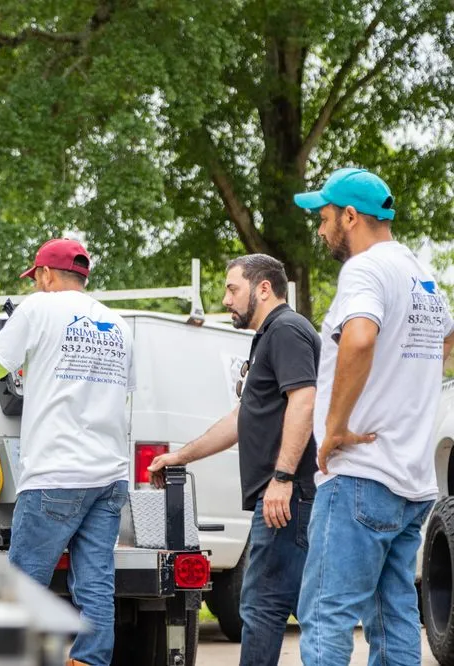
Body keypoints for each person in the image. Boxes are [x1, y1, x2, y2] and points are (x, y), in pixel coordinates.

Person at [0, 238, 134, 666]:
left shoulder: (39, 309)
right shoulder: (118, 326)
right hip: (109, 477)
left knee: (23, 584)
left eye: (36, 277)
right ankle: (89, 661)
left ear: (45, 275)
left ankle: (14, 659)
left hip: (56, 474)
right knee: (96, 585)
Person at [293, 167, 454, 665]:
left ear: (349, 215)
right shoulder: (424, 277)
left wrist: (336, 426)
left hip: (361, 473)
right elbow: (446, 341)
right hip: (411, 480)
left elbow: (359, 338)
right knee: (395, 614)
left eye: (323, 218)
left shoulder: (365, 270)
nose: (321, 230)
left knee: (326, 613)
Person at [147, 254, 319, 665]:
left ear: (263, 288)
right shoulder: (268, 337)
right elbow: (242, 419)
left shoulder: (288, 330)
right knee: (300, 605)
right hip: (282, 497)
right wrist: (181, 456)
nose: (225, 299)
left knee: (262, 605)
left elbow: (304, 400)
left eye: (232, 288)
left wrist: (282, 477)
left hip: (285, 499)